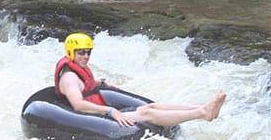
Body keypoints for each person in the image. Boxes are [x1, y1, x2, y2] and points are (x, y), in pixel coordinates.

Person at [56, 32, 226, 126]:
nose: (86, 56)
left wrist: (102, 83)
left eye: (88, 52)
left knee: (152, 106)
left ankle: (204, 107)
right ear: (71, 52)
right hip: (92, 118)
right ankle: (202, 114)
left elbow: (86, 85)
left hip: (98, 111)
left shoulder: (78, 70)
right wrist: (110, 111)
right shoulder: (69, 77)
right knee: (148, 113)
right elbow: (78, 104)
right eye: (81, 53)